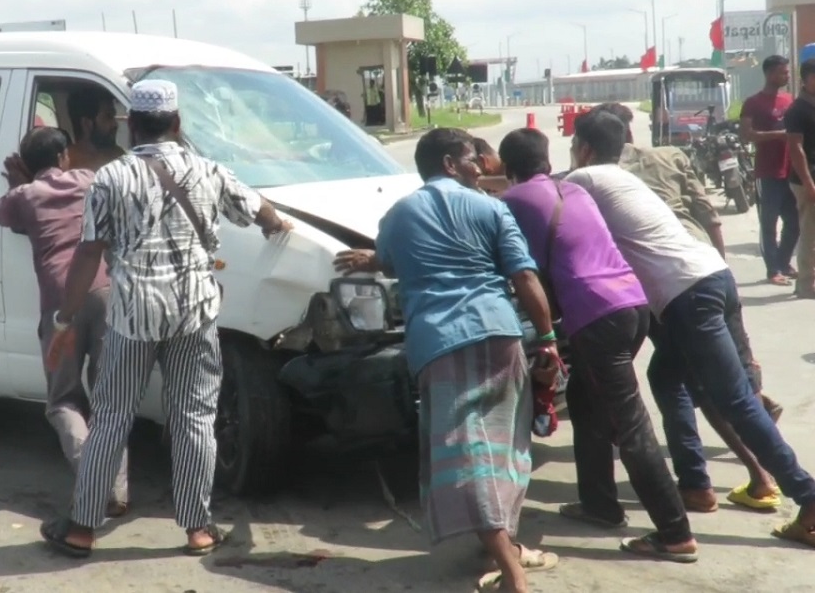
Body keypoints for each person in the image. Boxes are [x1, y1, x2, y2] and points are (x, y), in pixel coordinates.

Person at [38, 79, 291, 557]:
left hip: (133, 314)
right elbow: (262, 213)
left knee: (112, 416)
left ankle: (82, 528)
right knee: (195, 417)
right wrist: (281, 227)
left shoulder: (110, 178)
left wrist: (65, 321)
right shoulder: (208, 170)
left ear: (131, 125)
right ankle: (197, 527)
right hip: (193, 310)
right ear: (177, 123)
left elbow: (89, 253)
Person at [568, 109, 815, 550]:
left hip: (689, 294)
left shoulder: (585, 181)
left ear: (583, 150)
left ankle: (808, 495)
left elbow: (536, 194)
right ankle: (695, 484)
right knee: (665, 376)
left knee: (736, 400)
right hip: (712, 277)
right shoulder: (622, 177)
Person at [334, 127, 560, 593]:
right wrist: (548, 338)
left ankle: (510, 565)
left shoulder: (398, 215)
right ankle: (510, 556)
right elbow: (524, 278)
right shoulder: (491, 208)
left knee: (466, 455)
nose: (480, 167)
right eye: (471, 158)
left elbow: (395, 261)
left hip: (439, 345)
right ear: (449, 165)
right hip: (500, 335)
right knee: (506, 449)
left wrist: (371, 260)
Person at [498, 127, 698, 562]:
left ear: (509, 169)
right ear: (546, 162)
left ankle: (675, 532)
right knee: (586, 403)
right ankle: (599, 505)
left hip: (596, 316)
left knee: (630, 426)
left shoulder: (512, 202)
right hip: (632, 305)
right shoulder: (573, 190)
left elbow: (516, 268)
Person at [0, 127, 129, 517]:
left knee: (63, 400)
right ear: (64, 157)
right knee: (109, 399)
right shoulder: (88, 179)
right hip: (104, 290)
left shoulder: (23, 197)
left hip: (59, 304)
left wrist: (22, 182)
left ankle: (92, 478)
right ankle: (116, 490)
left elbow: (3, 215)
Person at [742, 55, 799, 286]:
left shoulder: (789, 100)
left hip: (790, 171)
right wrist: (779, 135)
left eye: (787, 72)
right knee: (769, 223)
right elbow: (746, 134)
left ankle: (784, 262)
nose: (786, 76)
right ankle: (772, 270)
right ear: (769, 74)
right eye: (782, 72)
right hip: (767, 172)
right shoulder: (753, 103)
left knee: (794, 222)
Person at [785, 58, 815, 298]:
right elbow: (796, 148)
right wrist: (808, 183)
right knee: (810, 233)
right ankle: (806, 285)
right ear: (805, 80)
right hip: (806, 179)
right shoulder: (797, 110)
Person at [64, 87, 124, 171]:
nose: (115, 124)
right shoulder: (67, 161)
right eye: (108, 117)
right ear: (86, 124)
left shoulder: (118, 155)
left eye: (113, 117)